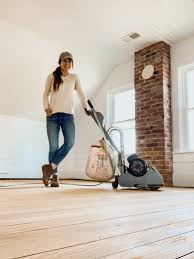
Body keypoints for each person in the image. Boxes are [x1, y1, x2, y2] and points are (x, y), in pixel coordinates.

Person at [42, 51, 90, 187]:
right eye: (64, 61)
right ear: (60, 62)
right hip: (52, 116)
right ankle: (55, 177)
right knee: (53, 147)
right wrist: (46, 107)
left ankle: (48, 168)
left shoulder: (74, 77)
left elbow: (81, 94)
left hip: (68, 116)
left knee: (70, 142)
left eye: (69, 61)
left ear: (72, 63)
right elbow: (45, 94)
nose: (67, 63)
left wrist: (86, 107)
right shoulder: (52, 76)